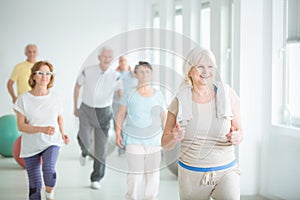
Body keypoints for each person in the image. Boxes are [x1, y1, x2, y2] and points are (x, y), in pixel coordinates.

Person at [161, 47, 243, 200]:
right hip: (191, 175)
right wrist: (173, 136)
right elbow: (165, 144)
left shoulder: (227, 94)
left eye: (210, 66)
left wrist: (237, 136)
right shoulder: (180, 100)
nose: (206, 71)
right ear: (189, 71)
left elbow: (240, 132)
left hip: (226, 171)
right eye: (200, 66)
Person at [13, 61, 69, 200]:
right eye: (41, 73)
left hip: (52, 141)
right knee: (34, 186)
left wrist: (62, 133)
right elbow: (21, 126)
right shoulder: (23, 99)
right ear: (34, 76)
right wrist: (41, 129)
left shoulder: (55, 98)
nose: (45, 76)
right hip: (30, 145)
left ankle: (49, 193)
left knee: (48, 170)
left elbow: (60, 118)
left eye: (48, 73)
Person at [116, 61, 166, 200]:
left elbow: (164, 116)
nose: (145, 74)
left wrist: (168, 135)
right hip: (133, 140)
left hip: (155, 141)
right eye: (141, 71)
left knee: (153, 175)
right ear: (136, 74)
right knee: (135, 175)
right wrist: (118, 133)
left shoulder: (158, 94)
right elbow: (120, 114)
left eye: (147, 71)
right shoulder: (128, 93)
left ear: (151, 75)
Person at [73, 47, 121, 189]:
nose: (107, 59)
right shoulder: (88, 71)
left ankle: (96, 178)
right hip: (86, 109)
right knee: (85, 140)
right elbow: (77, 87)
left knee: (101, 148)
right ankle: (84, 151)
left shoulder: (116, 75)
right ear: (99, 57)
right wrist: (74, 107)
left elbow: (120, 94)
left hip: (104, 112)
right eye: (104, 56)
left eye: (110, 57)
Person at [112, 55, 137, 156]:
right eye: (121, 61)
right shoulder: (115, 74)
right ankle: (121, 147)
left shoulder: (134, 74)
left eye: (125, 61)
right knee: (118, 125)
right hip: (117, 104)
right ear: (119, 63)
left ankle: (131, 146)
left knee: (131, 125)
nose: (123, 62)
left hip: (131, 104)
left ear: (128, 62)